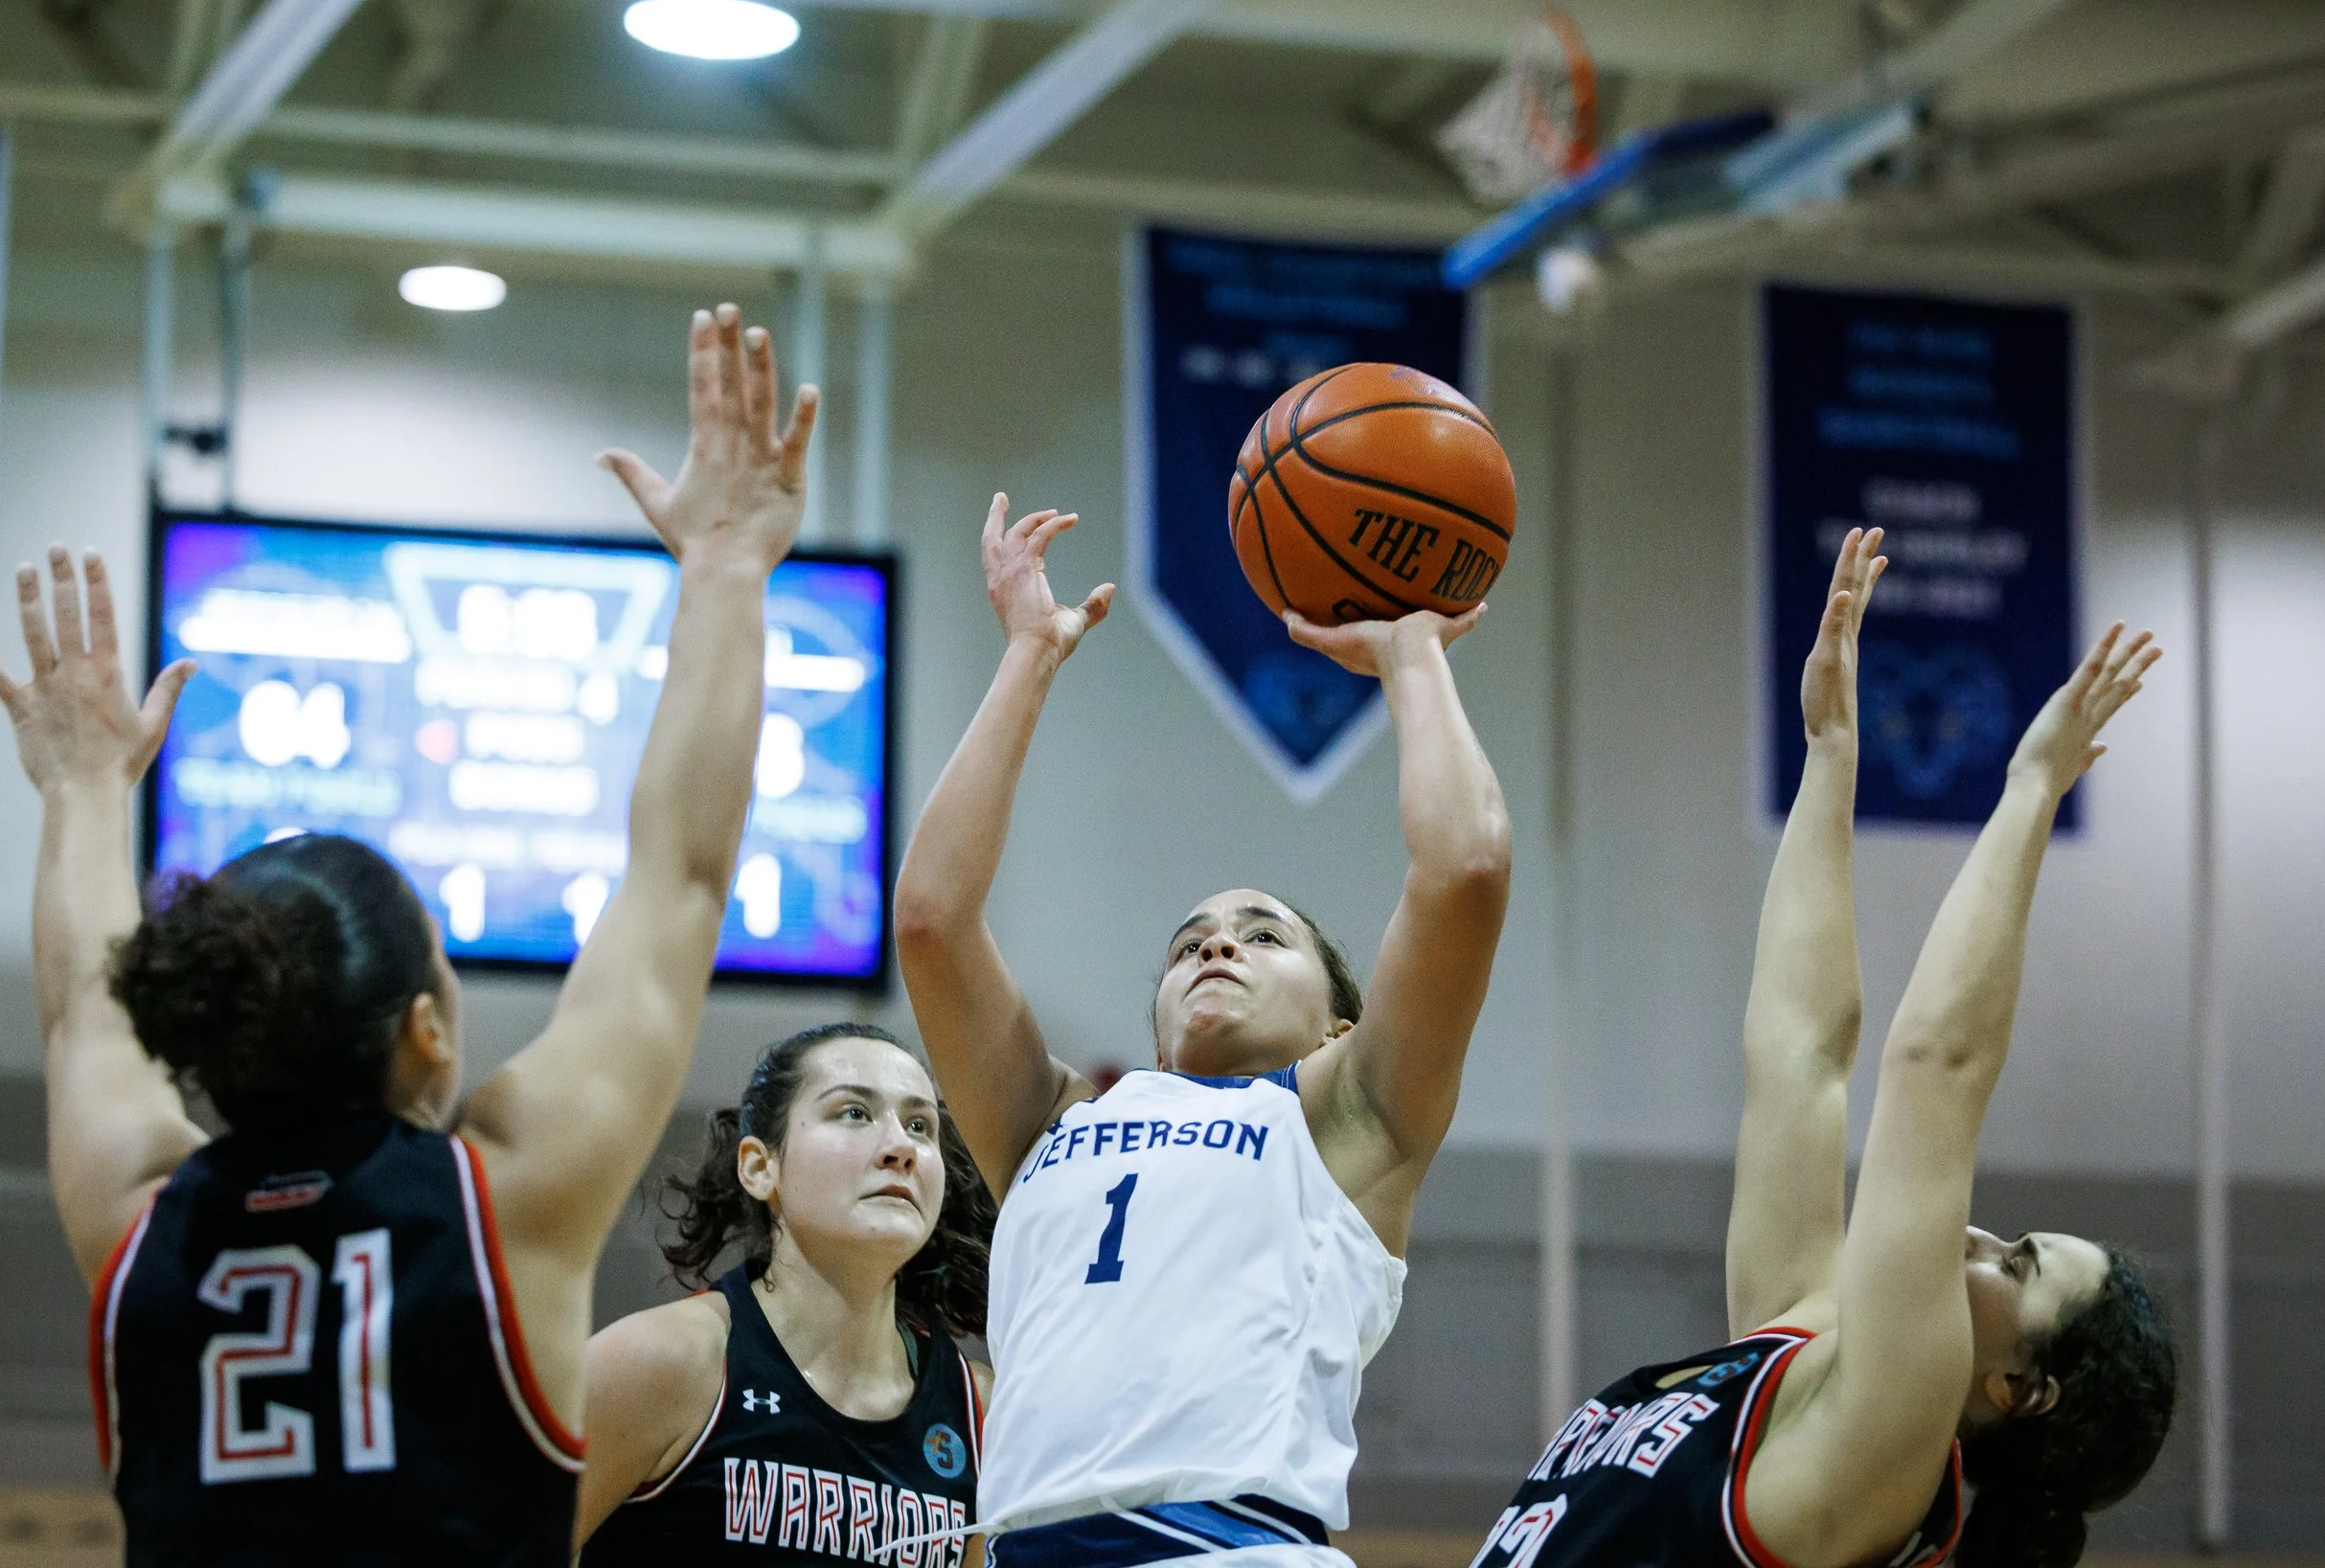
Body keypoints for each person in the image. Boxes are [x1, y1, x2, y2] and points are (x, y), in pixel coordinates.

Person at [0, 306, 814, 1566]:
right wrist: (728, 569)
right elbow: (680, 872)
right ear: (424, 1030)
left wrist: (82, 793)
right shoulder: (507, 1197)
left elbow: (87, 1009)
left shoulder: (139, 1226)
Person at [1473, 530, 2177, 1568]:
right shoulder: (1793, 1350)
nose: (1977, 1236)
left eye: (2017, 1266)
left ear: (2018, 1392)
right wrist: (1829, 755)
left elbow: (1936, 1066)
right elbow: (1798, 1057)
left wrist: (2030, 790)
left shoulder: (1880, 1454)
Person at [891, 497, 1513, 1565]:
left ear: (1337, 1027)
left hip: (1226, 1545)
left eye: (1261, 936)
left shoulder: (1347, 1119)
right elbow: (932, 924)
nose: (1214, 948)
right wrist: (1028, 660)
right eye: (1189, 944)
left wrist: (1412, 656)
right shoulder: (1054, 1121)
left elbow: (1464, 872)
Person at [576, 1023, 997, 1565]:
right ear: (759, 1166)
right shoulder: (665, 1363)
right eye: (854, 1113)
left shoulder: (981, 1410)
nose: (900, 1147)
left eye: (920, 1125)